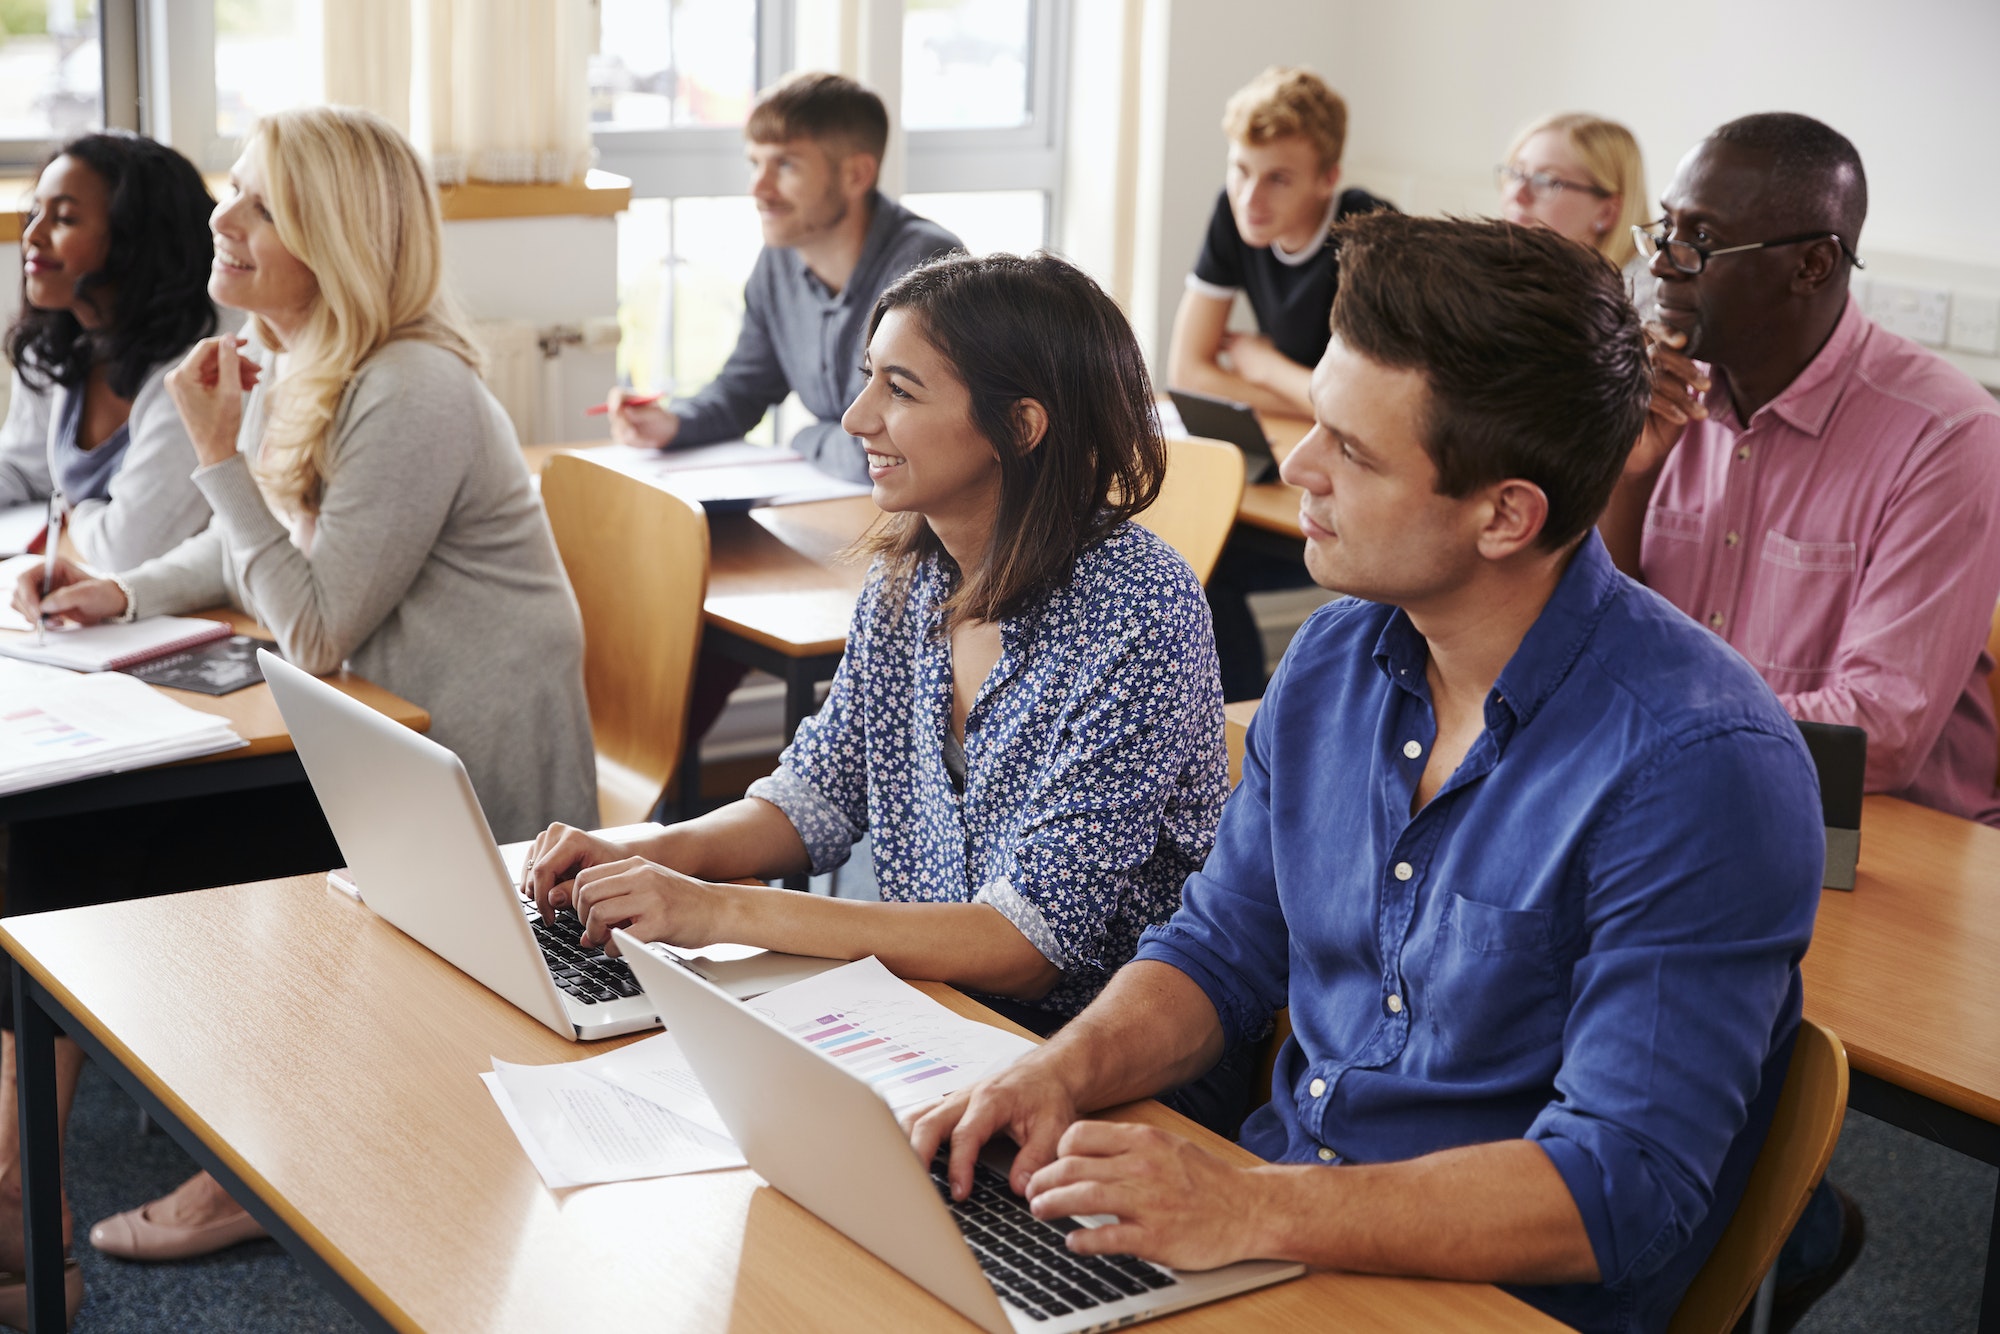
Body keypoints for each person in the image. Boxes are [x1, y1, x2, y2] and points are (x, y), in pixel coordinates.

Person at [911, 214, 1825, 1334]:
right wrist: (1057, 1070)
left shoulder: (1699, 767)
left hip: (1481, 1299)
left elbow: (1615, 1186)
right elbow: (1219, 950)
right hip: (1277, 1235)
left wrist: (1249, 1200)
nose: (1296, 465)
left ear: (1504, 515)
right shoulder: (1337, 654)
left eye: (1350, 448)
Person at [10, 105, 598, 1277]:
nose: (222, 218)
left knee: (95, 849)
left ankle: (248, 1150)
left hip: (459, 781)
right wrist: (119, 591)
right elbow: (255, 552)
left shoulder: (411, 385)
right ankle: (23, 1193)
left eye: (261, 202)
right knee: (52, 853)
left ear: (334, 234)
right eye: (235, 189)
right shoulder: (310, 357)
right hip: (360, 746)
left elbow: (316, 624)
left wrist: (218, 451)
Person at [526, 251, 1246, 1126]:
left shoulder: (1140, 609)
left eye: (900, 390)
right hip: (936, 1020)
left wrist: (715, 912)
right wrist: (648, 853)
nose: (856, 415)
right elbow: (813, 799)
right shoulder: (909, 581)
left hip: (1096, 1073)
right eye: (869, 378)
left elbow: (1029, 946)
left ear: (1020, 427)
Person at [1601, 111, 2000, 1328]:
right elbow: (1596, 629)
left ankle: (1777, 1212)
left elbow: (1878, 726)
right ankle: (1790, 1215)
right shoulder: (1670, 401)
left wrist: (1662, 727)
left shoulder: (1943, 432)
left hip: (1875, 848)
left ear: (1809, 262)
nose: (1660, 264)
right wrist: (1621, 473)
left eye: (1695, 240)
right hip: (1684, 796)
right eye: (1659, 231)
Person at [603, 71, 961, 484]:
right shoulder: (777, 263)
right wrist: (672, 423)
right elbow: (743, 391)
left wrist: (806, 438)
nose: (759, 188)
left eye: (785, 164)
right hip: (846, 506)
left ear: (856, 176)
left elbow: (906, 448)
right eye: (754, 163)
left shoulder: (926, 269)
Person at [1167, 67, 1395, 704]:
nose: (1251, 197)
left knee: (1202, 564)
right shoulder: (1232, 214)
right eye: (1241, 170)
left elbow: (1374, 401)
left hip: (1351, 480)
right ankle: (1217, 725)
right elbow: (1189, 369)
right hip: (1291, 447)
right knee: (1179, 552)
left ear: (1329, 179)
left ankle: (1236, 724)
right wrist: (1308, 388)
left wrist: (1262, 368)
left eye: (1277, 178)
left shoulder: (1370, 234)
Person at [0, 131, 218, 569]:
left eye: (63, 219)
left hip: (192, 611)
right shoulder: (59, 340)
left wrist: (74, 515)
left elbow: (130, 546)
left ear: (134, 239)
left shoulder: (201, 364)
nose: (33, 236)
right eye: (35, 212)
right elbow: (24, 468)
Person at [1497, 112, 1655, 317]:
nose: (1517, 195)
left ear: (1607, 213)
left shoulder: (1644, 301)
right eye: (1515, 173)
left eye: (1546, 181)